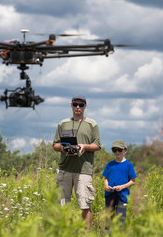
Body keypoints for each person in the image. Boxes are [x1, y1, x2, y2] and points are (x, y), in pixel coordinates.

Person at [53, 94, 101, 231]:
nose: (78, 107)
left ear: (85, 106)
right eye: (75, 104)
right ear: (71, 105)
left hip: (84, 169)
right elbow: (55, 145)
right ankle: (64, 232)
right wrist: (63, 147)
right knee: (62, 204)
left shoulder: (92, 124)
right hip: (65, 168)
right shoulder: (63, 123)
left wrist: (84, 146)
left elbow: (97, 145)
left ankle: (86, 234)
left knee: (85, 205)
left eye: (81, 105)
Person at [102, 139, 137, 230]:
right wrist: (106, 186)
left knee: (121, 218)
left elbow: (132, 181)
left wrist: (122, 187)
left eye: (119, 150)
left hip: (122, 195)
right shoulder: (110, 164)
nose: (117, 152)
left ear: (125, 150)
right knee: (109, 218)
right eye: (114, 150)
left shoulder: (128, 165)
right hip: (110, 194)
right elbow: (105, 178)